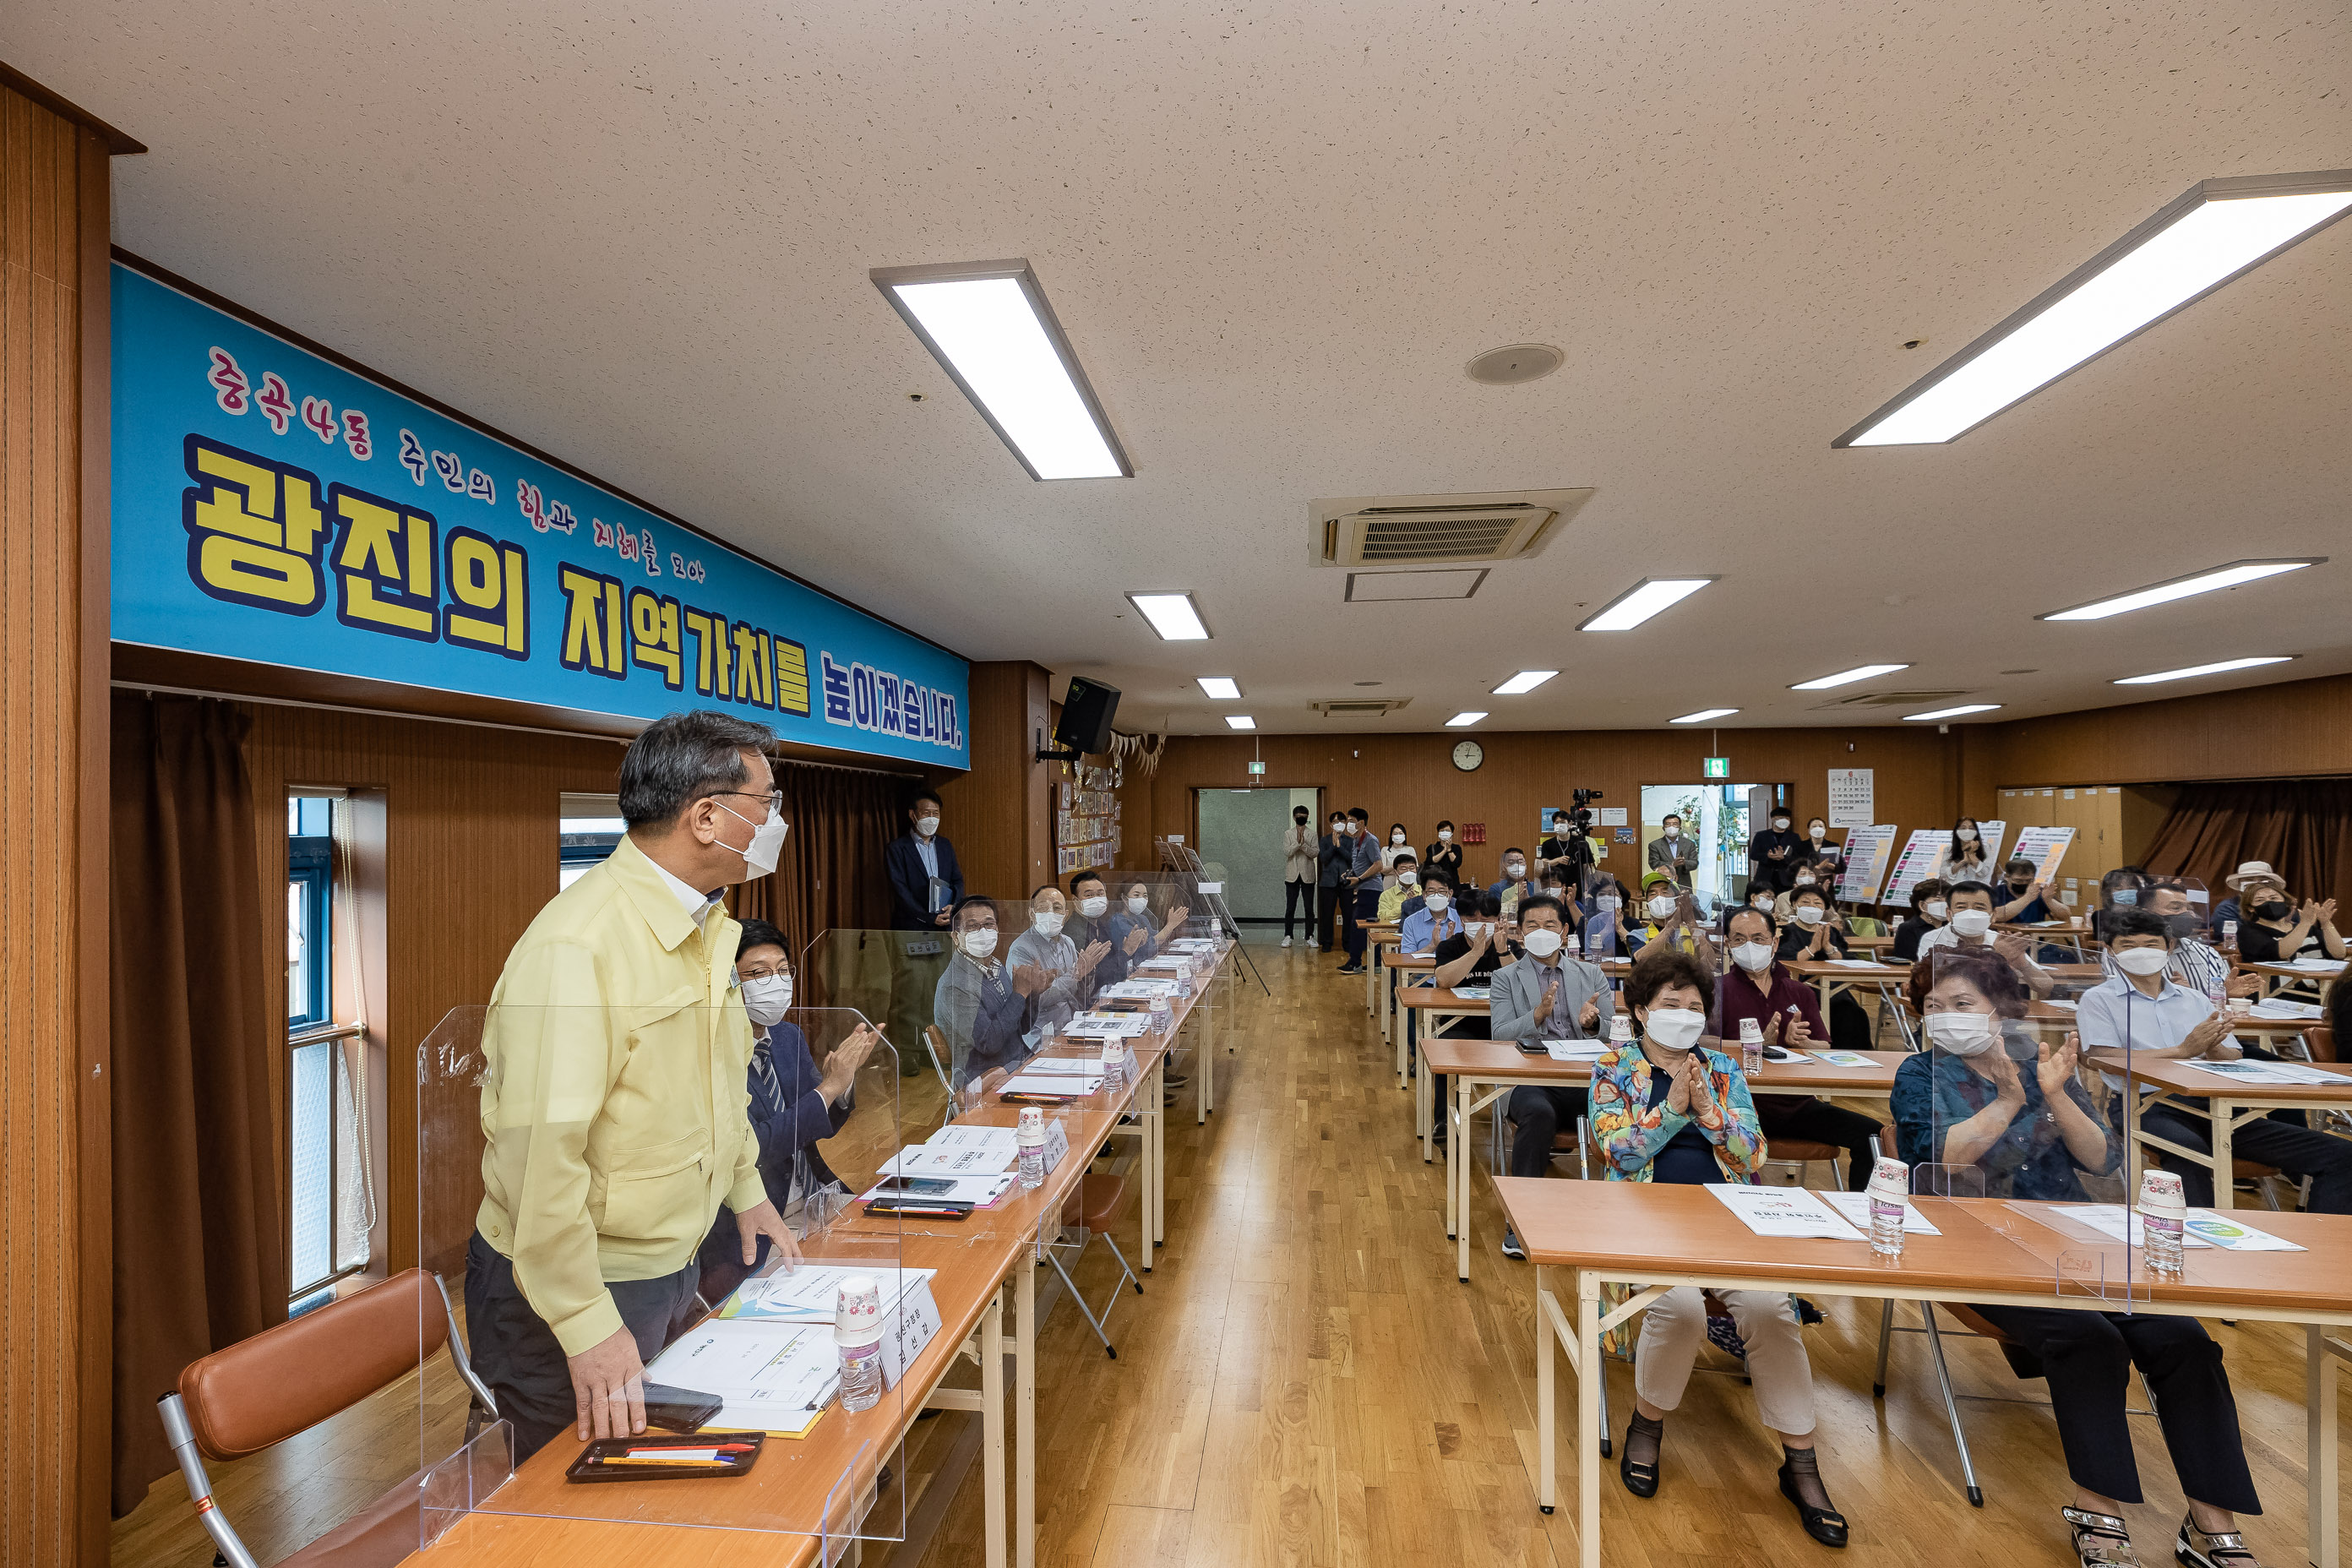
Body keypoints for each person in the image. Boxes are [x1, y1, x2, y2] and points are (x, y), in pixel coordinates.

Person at [468, 710, 802, 1458]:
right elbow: (539, 1159)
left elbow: (715, 1082)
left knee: (641, 1481)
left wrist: (745, 1188)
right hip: (570, 1284)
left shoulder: (708, 924)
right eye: (766, 803)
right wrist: (584, 1319)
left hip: (665, 1262)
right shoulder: (577, 946)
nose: (776, 820)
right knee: (560, 1505)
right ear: (707, 818)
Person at [1892, 947, 2268, 1568]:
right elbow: (1944, 1159)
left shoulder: (2039, 1062)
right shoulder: (1920, 1074)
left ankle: (2210, 1523)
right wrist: (2012, 1102)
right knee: (2087, 1337)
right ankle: (2099, 1512)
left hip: (2075, 1241)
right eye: (1933, 1007)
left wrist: (2055, 1095)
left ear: (2000, 1009)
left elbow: (2101, 1160)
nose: (1946, 1016)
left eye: (1962, 1004)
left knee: (2184, 1340)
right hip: (1977, 1246)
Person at [1590, 949, 1847, 1547]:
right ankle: (1647, 1424)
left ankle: (1801, 1463)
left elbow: (1753, 1155)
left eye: (1693, 1006)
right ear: (1640, 1011)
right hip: (1643, 1215)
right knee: (1677, 1307)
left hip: (1727, 1217)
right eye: (1669, 1005)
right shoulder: (1613, 1068)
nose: (1683, 1015)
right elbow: (1617, 1153)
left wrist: (1709, 1112)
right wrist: (1672, 1111)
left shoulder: (1725, 1071)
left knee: (1768, 1309)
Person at [2082, 907, 2352, 1214]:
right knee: (2189, 1150)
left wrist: (2213, 1047)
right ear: (2110, 951)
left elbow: (2233, 1055)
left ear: (2168, 947)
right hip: (2144, 1105)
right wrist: (2182, 1051)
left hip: (2214, 1107)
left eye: (2150, 944)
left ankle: (2327, 1243)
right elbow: (2100, 1057)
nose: (2140, 952)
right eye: (2127, 946)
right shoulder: (2099, 999)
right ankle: (2198, 1243)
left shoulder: (2194, 999)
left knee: (2341, 1154)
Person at [695, 920, 879, 1303]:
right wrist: (827, 1088)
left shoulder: (787, 1035)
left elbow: (820, 1123)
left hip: (817, 1196)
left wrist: (840, 1087)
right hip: (758, 1216)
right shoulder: (711, 1053)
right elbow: (754, 1145)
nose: (775, 982)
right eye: (758, 973)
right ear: (727, 980)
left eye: (782, 970)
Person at [1715, 906, 1883, 1190]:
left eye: (1758, 939)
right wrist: (1758, 1044)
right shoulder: (1715, 992)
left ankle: (1859, 1216)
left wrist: (1804, 1045)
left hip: (1799, 1106)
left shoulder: (1800, 991)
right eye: (1739, 939)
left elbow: (1824, 1047)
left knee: (1874, 1135)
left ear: (1774, 943)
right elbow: (1708, 1051)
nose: (1749, 946)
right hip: (1741, 1107)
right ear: (1728, 945)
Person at [1492, 896, 1614, 1259]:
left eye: (1550, 925)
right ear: (1519, 932)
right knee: (1538, 1113)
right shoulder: (1505, 978)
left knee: (1629, 1109)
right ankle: (1521, 1219)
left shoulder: (1590, 974)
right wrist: (1537, 1014)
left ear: (1564, 932)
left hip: (1586, 1078)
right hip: (1531, 1078)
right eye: (1532, 925)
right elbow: (1499, 1033)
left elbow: (1617, 1033)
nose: (1541, 932)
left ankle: (1618, 1215)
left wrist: (1594, 1024)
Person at [883, 788, 963, 1075]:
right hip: (911, 932)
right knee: (910, 996)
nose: (931, 818)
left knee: (936, 993)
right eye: (926, 813)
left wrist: (953, 908)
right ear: (913, 815)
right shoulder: (898, 849)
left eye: (936, 814)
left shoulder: (945, 846)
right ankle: (907, 1052)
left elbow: (957, 880)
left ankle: (933, 1050)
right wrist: (929, 918)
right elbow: (900, 893)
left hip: (943, 931)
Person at [935, 896, 1029, 1090]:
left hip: (1017, 1064)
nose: (983, 932)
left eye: (989, 924)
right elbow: (989, 1043)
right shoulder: (954, 985)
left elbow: (1015, 1024)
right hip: (983, 1081)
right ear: (955, 936)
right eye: (972, 926)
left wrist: (1033, 993)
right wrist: (1020, 994)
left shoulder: (995, 965)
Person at [1916, 880, 2055, 998]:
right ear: (1949, 914)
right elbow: (1940, 984)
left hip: (1999, 1017)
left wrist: (2023, 965)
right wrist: (1995, 955)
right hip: (1949, 1015)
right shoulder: (1933, 939)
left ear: (1993, 915)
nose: (1970, 913)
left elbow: (2046, 987)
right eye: (1961, 907)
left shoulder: (1999, 939)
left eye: (1979, 908)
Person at [1778, 884, 1873, 1053]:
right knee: (1837, 1012)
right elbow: (1785, 962)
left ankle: (1854, 1058)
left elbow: (1845, 959)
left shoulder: (1830, 931)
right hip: (1804, 987)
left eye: (1817, 903)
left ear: (1824, 908)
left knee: (1855, 1014)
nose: (1812, 907)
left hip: (1835, 988)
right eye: (1805, 902)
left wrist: (1828, 947)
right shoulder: (1786, 932)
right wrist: (1812, 949)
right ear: (1794, 905)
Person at [1007, 883, 1110, 1033]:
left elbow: (1078, 991)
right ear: (1031, 914)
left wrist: (1088, 971)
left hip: (1072, 1023)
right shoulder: (1021, 949)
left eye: (1056, 908)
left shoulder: (1067, 942)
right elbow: (1036, 1000)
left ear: (1065, 914)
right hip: (1042, 1034)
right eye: (1043, 908)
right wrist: (1076, 974)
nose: (1050, 913)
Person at [2234, 872, 2345, 966]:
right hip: (2279, 990)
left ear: (2285, 901)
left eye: (2274, 898)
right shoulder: (2247, 932)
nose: (2269, 902)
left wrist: (2325, 923)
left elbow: (2339, 953)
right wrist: (2305, 923)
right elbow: (2282, 953)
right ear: (2250, 908)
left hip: (2320, 988)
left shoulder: (2308, 929)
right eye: (2260, 900)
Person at [1102, 879, 1190, 990]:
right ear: (1124, 899)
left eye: (1145, 896)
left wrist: (1169, 929)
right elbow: (1150, 944)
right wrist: (1170, 926)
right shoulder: (1118, 922)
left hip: (1145, 970)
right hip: (1125, 976)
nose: (1142, 899)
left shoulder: (1141, 918)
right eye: (1136, 895)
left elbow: (1157, 940)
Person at [1632, 874, 1719, 971]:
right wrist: (1672, 925)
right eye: (1652, 894)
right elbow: (1640, 961)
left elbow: (1710, 965)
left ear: (1677, 901)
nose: (1659, 897)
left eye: (1665, 892)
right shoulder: (1638, 935)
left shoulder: (1694, 931)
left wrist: (1691, 922)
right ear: (1649, 907)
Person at [1337, 808, 1382, 975]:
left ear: (1361, 823)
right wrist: (1351, 874)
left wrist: (1360, 879)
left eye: (1351, 820)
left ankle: (1355, 963)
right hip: (1363, 888)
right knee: (1369, 928)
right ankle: (1376, 963)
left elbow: (1378, 865)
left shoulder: (1370, 840)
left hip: (1371, 889)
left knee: (1358, 925)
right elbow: (1361, 864)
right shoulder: (1356, 840)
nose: (1348, 823)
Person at [1993, 856, 2072, 925]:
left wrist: (2049, 901)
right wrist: (2027, 898)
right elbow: (1997, 916)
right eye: (2018, 881)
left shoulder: (2038, 892)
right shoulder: (1996, 893)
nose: (2023, 883)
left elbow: (2066, 916)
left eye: (2028, 881)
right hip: (2004, 939)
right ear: (2007, 877)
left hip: (2034, 940)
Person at [1400, 868, 1463, 954]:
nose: (1436, 895)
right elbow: (1406, 959)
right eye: (1431, 891)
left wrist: (1452, 946)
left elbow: (1472, 956)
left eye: (1441, 891)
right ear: (1424, 895)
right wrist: (1432, 946)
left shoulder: (1462, 919)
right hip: (1422, 967)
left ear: (1450, 894)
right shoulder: (1411, 922)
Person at [1282, 805, 1317, 948]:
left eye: (1304, 816)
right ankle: (1288, 936)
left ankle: (1310, 936)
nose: (1301, 818)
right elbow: (1287, 852)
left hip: (1308, 875)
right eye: (1299, 816)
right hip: (1292, 875)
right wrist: (1298, 844)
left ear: (1307, 817)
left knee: (1309, 908)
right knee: (1290, 907)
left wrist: (1304, 846)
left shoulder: (1312, 834)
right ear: (1294, 817)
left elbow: (1315, 853)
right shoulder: (1288, 833)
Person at [1890, 878, 1949, 964]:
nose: (1945, 905)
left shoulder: (1952, 926)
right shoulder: (1908, 928)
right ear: (1922, 905)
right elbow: (1907, 962)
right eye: (1938, 900)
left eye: (1947, 900)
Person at [1746, 806, 1802, 897]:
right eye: (1780, 818)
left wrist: (1784, 858)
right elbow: (1753, 854)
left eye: (1787, 818)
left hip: (1786, 879)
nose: (1784, 820)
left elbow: (1799, 857)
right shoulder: (1761, 835)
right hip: (1764, 877)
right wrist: (1767, 856)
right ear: (1773, 819)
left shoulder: (1794, 837)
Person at [1316, 812, 1350, 952]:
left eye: (1342, 821)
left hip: (1346, 881)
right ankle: (1327, 942)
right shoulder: (1324, 840)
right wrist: (1334, 846)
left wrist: (1340, 847)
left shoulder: (1350, 841)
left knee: (1348, 914)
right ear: (1331, 824)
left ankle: (1347, 943)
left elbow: (1351, 859)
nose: (1339, 824)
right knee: (1327, 913)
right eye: (1336, 822)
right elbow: (1323, 859)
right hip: (1328, 882)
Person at [1647, 812, 1699, 897]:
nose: (1671, 827)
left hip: (1684, 885)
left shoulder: (1689, 844)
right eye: (1668, 824)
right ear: (1663, 828)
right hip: (1664, 885)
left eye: (1675, 824)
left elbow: (1694, 863)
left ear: (1680, 828)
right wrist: (1672, 864)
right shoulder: (1655, 845)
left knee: (1686, 908)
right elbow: (1654, 864)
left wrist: (1684, 862)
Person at [1538, 809, 1592, 883]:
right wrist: (1557, 860)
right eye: (1556, 823)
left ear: (1569, 824)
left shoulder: (1581, 842)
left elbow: (1586, 866)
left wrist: (1587, 886)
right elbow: (1543, 864)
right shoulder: (1547, 844)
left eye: (1563, 822)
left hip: (1576, 884)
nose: (1559, 825)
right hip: (1555, 884)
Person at [1376, 852, 1424, 923]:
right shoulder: (1386, 895)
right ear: (1396, 872)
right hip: (1394, 931)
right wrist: (1405, 905)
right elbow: (1382, 916)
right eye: (1404, 869)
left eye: (1412, 868)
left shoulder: (1424, 891)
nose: (1408, 872)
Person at [1942, 815, 1992, 885]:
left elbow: (1984, 872)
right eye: (1963, 828)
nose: (1967, 831)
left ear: (1976, 832)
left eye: (1971, 828)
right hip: (1955, 889)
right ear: (1957, 831)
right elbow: (1943, 874)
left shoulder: (1986, 848)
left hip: (1977, 889)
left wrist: (1972, 855)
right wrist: (1963, 862)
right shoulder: (1948, 850)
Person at [1488, 847, 1536, 916]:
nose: (1516, 866)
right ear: (1504, 867)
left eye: (1520, 862)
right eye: (1511, 863)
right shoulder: (1496, 888)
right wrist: (1516, 901)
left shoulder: (1535, 886)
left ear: (1526, 865)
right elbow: (1494, 914)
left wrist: (1528, 902)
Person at [1423, 819, 1465, 884]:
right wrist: (1444, 850)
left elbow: (1456, 863)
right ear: (1438, 833)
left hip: (1453, 882)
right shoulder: (1432, 847)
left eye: (1447, 831)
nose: (1445, 833)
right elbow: (1432, 861)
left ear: (1452, 834)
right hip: (1435, 881)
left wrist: (1449, 850)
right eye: (1442, 831)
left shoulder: (1457, 848)